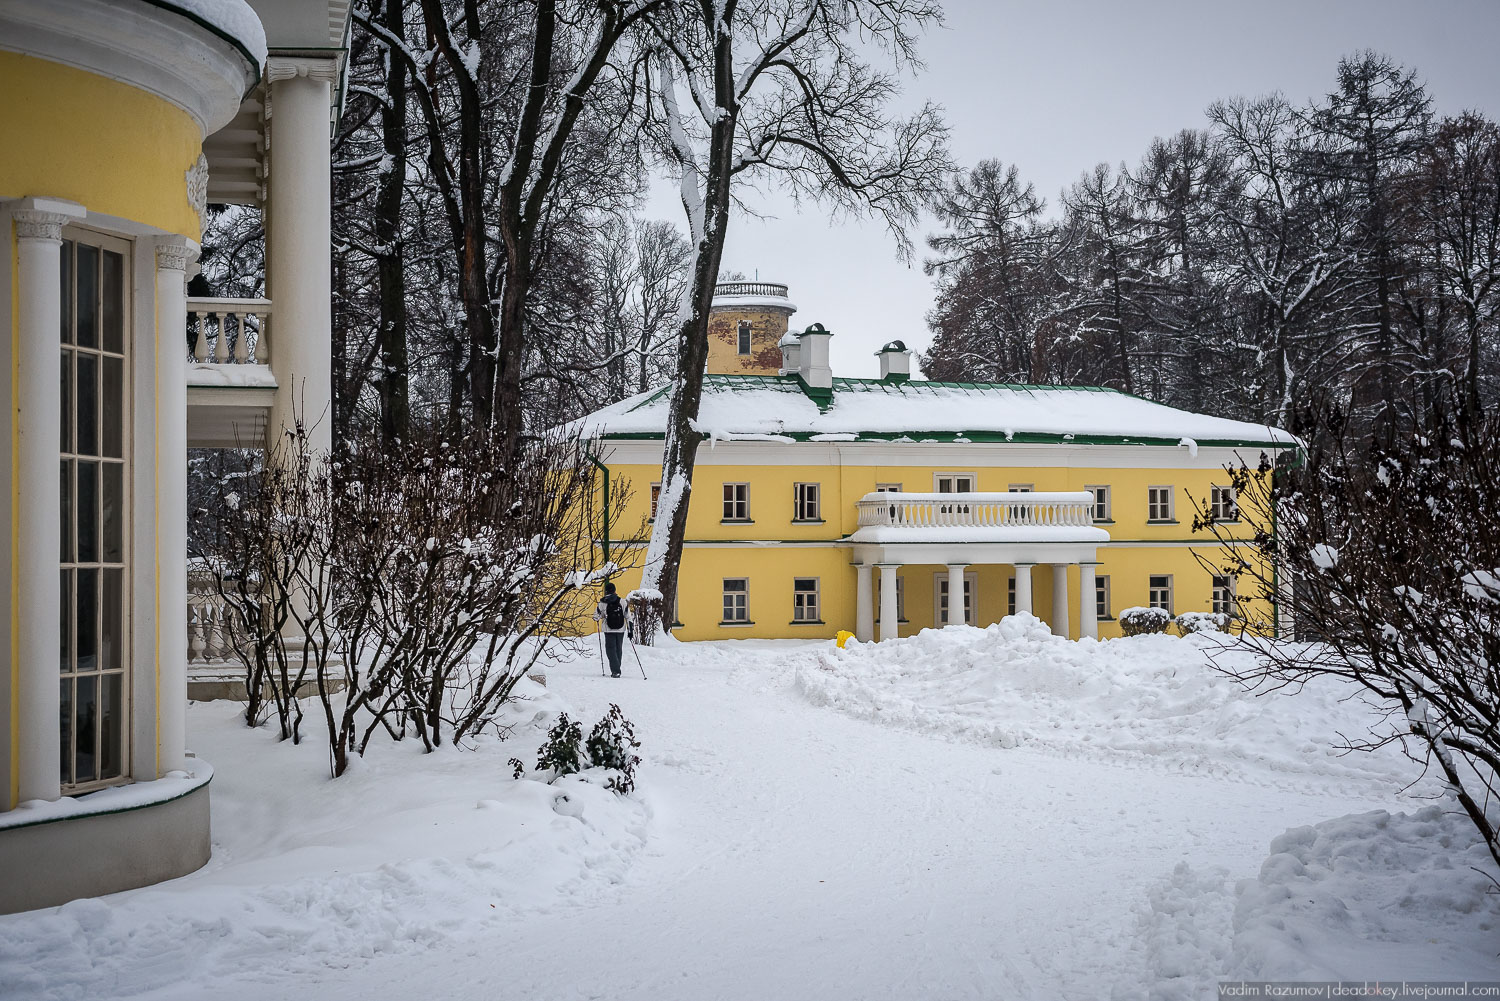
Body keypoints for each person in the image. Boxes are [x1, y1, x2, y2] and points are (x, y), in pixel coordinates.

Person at [594, 582, 629, 678]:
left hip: (608, 629)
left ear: (606, 591)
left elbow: (597, 616)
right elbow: (627, 616)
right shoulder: (623, 601)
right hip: (621, 629)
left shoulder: (602, 603)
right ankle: (616, 669)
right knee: (618, 650)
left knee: (610, 650)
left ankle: (615, 670)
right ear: (615, 590)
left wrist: (598, 618)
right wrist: (631, 631)